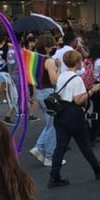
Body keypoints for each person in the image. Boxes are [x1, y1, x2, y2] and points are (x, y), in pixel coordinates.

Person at [48, 50, 100, 188]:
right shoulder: (76, 79)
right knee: (84, 143)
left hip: (60, 113)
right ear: (77, 62)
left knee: (60, 146)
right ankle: (97, 169)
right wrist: (92, 90)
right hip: (73, 114)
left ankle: (54, 176)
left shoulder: (61, 76)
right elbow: (79, 100)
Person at [29, 34, 61, 166]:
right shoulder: (49, 61)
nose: (54, 47)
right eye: (52, 45)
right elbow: (54, 80)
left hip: (40, 92)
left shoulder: (35, 59)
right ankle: (48, 155)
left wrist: (35, 98)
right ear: (48, 47)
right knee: (53, 125)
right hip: (49, 92)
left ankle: (40, 148)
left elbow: (33, 80)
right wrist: (58, 67)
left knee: (50, 123)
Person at [87, 42, 100, 144]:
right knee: (99, 110)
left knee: (95, 109)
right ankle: (95, 130)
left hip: (91, 86)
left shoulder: (90, 60)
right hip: (99, 87)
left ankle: (95, 129)